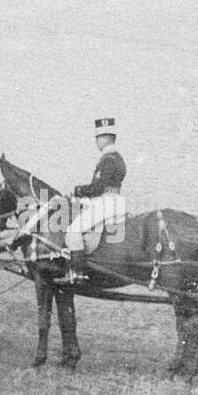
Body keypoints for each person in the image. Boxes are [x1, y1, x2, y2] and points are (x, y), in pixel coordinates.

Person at [63, 117, 126, 283]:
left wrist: (79, 190)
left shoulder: (109, 159)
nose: (96, 142)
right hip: (110, 201)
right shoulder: (114, 158)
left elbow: (99, 187)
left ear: (105, 138)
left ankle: (77, 273)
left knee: (73, 231)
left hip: (106, 202)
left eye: (97, 138)